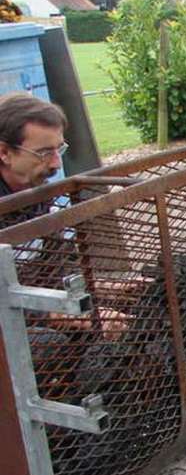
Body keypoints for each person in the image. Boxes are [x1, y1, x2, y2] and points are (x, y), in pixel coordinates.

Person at [0, 92, 131, 336]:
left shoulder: (36, 193)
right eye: (44, 153)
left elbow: (53, 271)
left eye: (59, 149)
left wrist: (105, 287)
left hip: (28, 311)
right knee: (51, 342)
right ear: (5, 152)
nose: (56, 164)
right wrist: (70, 316)